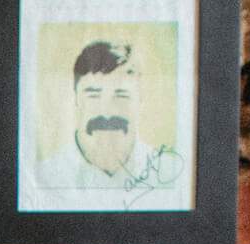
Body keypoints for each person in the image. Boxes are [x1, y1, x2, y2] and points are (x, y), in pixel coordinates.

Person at [31, 40, 185, 209]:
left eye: (122, 95)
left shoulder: (173, 176)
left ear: (140, 100)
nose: (107, 112)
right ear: (76, 98)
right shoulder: (41, 178)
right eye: (93, 95)